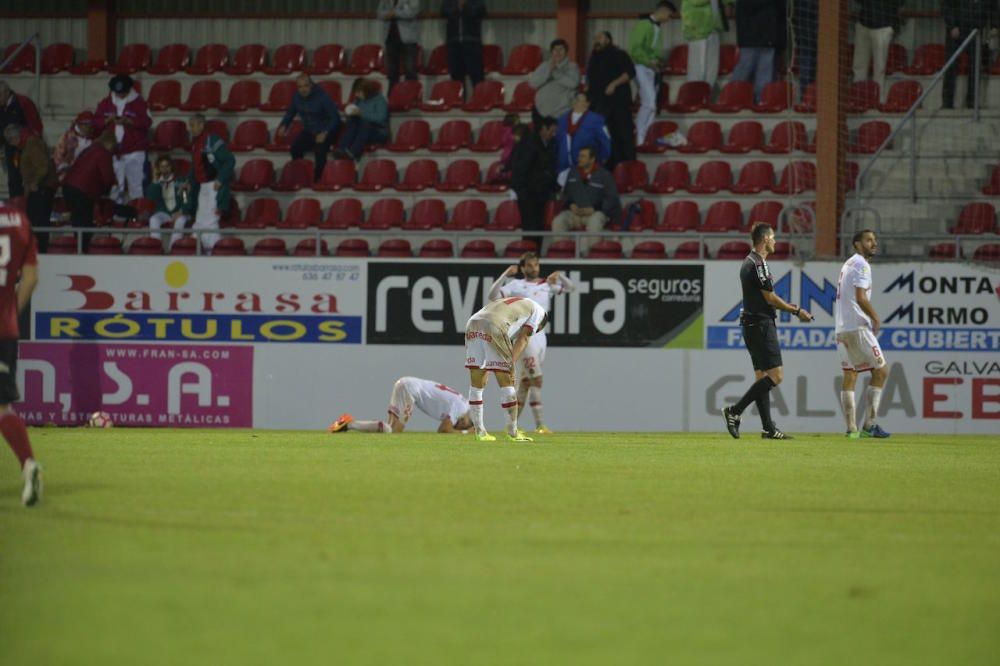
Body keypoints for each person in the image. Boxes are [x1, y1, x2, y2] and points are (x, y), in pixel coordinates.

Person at [722, 223, 812, 440]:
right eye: (772, 237)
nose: (775, 241)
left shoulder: (749, 262)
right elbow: (770, 298)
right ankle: (734, 411)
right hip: (761, 325)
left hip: (751, 325)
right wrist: (796, 310)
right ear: (764, 239)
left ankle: (768, 428)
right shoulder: (758, 264)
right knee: (776, 375)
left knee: (762, 377)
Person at [487, 252, 575, 433]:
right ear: (523, 268)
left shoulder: (546, 285)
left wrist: (561, 276)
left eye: (536, 265)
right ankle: (540, 425)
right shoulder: (516, 285)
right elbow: (492, 295)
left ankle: (511, 426)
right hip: (526, 336)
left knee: (526, 383)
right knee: (537, 380)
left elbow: (571, 288)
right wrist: (505, 274)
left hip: (542, 336)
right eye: (529, 265)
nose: (534, 268)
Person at [0, 201, 42, 506]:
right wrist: (11, 311)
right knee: (3, 408)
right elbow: (31, 278)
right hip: (5, 328)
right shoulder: (19, 220)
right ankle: (28, 464)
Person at [464, 295, 548, 442]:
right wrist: (510, 363)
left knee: (477, 384)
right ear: (541, 325)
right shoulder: (539, 313)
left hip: (473, 322)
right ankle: (513, 433)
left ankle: (480, 432)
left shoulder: (518, 302)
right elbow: (524, 338)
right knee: (507, 382)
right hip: (496, 324)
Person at [836, 230, 891, 438]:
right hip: (858, 326)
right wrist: (875, 318)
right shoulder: (861, 264)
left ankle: (852, 430)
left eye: (874, 240)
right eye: (869, 240)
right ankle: (869, 425)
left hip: (841, 327)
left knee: (850, 374)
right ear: (857, 244)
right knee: (881, 371)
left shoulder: (848, 264)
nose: (873, 243)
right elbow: (860, 297)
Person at [328, 376, 474, 434]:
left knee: (390, 430)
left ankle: (348, 423)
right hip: (409, 390)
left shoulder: (462, 402)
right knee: (392, 431)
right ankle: (350, 424)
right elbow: (444, 429)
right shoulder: (461, 407)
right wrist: (466, 433)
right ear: (466, 420)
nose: (458, 427)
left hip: (406, 384)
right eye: (462, 426)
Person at [92, 74, 152, 204]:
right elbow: (95, 123)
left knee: (136, 185)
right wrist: (107, 120)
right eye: (118, 92)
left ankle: (137, 213)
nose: (120, 95)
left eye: (123, 92)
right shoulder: (105, 103)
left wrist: (130, 121)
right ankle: (115, 214)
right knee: (114, 186)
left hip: (135, 150)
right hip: (113, 151)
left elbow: (147, 123)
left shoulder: (139, 103)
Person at [550, 146, 621, 254]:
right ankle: (564, 253)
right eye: (579, 156)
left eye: (583, 156)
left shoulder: (604, 175)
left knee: (595, 222)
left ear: (592, 159)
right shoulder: (573, 173)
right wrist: (570, 205)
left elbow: (612, 198)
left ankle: (593, 255)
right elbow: (566, 195)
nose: (579, 159)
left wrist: (594, 209)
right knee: (558, 221)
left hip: (595, 213)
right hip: (575, 213)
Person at [586, 31, 637, 168]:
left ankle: (628, 168)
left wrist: (614, 84)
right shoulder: (593, 58)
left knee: (623, 136)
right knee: (605, 138)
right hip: (599, 104)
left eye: (600, 37)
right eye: (595, 38)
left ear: (608, 39)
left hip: (618, 103)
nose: (596, 40)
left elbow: (630, 73)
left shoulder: (619, 54)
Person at [276, 74, 341, 181]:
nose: (303, 89)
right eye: (300, 87)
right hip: (309, 131)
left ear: (311, 85)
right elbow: (290, 113)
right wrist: (284, 125)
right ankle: (300, 175)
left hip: (325, 130)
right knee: (295, 149)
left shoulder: (323, 97)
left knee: (319, 150)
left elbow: (335, 118)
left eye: (306, 86)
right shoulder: (296, 97)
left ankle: (318, 179)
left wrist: (325, 132)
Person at [3, 124, 57, 253]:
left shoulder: (32, 144)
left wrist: (34, 182)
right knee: (35, 220)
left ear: (15, 138)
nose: (12, 145)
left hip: (41, 188)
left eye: (11, 141)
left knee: (39, 221)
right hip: (37, 188)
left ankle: (40, 249)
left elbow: (42, 166)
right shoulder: (28, 144)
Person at [61, 131, 117, 253]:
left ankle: (79, 248)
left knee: (77, 221)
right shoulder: (103, 152)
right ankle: (83, 251)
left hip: (68, 186)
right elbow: (107, 175)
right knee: (84, 222)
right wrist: (110, 186)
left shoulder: (90, 149)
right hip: (83, 190)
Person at [187, 114, 234, 252]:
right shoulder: (195, 143)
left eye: (193, 125)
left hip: (214, 185)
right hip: (203, 187)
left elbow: (230, 160)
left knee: (211, 222)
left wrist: (220, 179)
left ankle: (216, 253)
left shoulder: (213, 140)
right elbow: (195, 166)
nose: (191, 129)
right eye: (190, 126)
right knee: (200, 222)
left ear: (202, 125)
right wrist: (189, 181)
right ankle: (198, 252)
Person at [629, 2, 675, 146]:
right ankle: (640, 138)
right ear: (664, 11)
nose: (669, 19)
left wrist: (657, 63)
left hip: (650, 68)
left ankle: (646, 137)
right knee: (649, 103)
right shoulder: (644, 25)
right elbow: (635, 49)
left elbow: (655, 52)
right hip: (641, 66)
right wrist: (650, 62)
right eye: (669, 15)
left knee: (651, 105)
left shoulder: (656, 28)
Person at [510, 116, 558, 248]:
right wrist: (522, 191)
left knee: (537, 228)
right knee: (530, 228)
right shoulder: (530, 144)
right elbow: (520, 169)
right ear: (543, 129)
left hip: (540, 194)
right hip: (528, 195)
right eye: (552, 131)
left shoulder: (547, 144)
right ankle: (529, 258)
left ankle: (536, 257)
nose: (553, 135)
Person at [942, 0, 998, 110]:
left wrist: (994, 25)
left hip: (975, 31)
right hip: (957, 30)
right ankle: (947, 103)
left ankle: (972, 103)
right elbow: (947, 5)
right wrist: (952, 25)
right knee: (951, 67)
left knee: (975, 67)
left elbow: (993, 6)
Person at [731, 0, 787, 101]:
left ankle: (761, 102)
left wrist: (781, 42)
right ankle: (732, 98)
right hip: (750, 36)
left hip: (770, 36)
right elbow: (747, 6)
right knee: (745, 67)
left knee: (764, 73)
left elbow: (781, 13)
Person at [853, 0, 903, 103]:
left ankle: (877, 101)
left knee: (879, 69)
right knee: (859, 67)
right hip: (864, 24)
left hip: (883, 26)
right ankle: (857, 99)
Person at [555, 92, 612, 177]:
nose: (575, 102)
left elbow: (606, 141)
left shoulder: (597, 120)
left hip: (586, 166)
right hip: (565, 165)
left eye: (578, 100)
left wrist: (602, 159)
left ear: (587, 103)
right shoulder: (562, 119)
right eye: (575, 99)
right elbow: (557, 142)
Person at [682, 0, 734, 90]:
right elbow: (696, 2)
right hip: (697, 31)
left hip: (713, 29)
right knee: (698, 68)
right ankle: (694, 96)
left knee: (712, 68)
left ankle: (707, 94)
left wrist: (729, 3)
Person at [528, 38, 581, 126]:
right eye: (555, 50)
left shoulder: (572, 67)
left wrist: (556, 73)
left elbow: (573, 83)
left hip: (562, 113)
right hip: (541, 112)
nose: (558, 52)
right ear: (551, 52)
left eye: (561, 49)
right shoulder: (544, 65)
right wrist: (548, 74)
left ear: (566, 51)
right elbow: (532, 83)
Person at [146, 155, 195, 249]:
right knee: (153, 219)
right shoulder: (157, 183)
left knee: (180, 221)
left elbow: (186, 199)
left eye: (167, 166)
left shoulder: (181, 181)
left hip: (181, 211)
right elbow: (150, 198)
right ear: (158, 169)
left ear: (171, 167)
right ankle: (156, 247)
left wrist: (181, 211)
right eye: (162, 167)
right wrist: (155, 180)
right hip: (165, 212)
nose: (165, 169)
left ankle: (173, 248)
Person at [334, 78, 389, 162]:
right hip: (362, 130)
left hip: (379, 131)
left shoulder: (380, 100)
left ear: (366, 90)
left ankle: (353, 152)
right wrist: (349, 114)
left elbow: (380, 119)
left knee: (365, 124)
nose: (356, 95)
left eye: (358, 92)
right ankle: (341, 148)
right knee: (353, 121)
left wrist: (361, 114)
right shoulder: (358, 101)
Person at [442, 0, 487, 94]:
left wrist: (464, 5)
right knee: (456, 79)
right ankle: (459, 103)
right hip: (454, 41)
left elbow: (479, 12)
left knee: (477, 77)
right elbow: (444, 12)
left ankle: (479, 103)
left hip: (472, 41)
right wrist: (457, 6)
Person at [378, 0, 421, 92]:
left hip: (408, 39)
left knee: (410, 70)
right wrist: (389, 14)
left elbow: (412, 12)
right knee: (392, 71)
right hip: (390, 38)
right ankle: (392, 97)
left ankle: (411, 96)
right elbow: (379, 14)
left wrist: (394, 13)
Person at [0, 81, 28, 198]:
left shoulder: (22, 102)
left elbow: (35, 125)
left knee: (23, 179)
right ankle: (15, 206)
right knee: (13, 179)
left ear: (5, 93)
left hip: (24, 147)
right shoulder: (2, 107)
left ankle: (23, 207)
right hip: (9, 148)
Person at [53, 111, 95, 177]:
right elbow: (58, 159)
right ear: (79, 124)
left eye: (91, 125)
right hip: (67, 175)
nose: (89, 128)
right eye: (86, 124)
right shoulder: (67, 138)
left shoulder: (93, 139)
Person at [792, 0, 818, 97]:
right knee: (807, 68)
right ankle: (807, 97)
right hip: (807, 37)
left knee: (807, 68)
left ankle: (806, 97)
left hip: (807, 37)